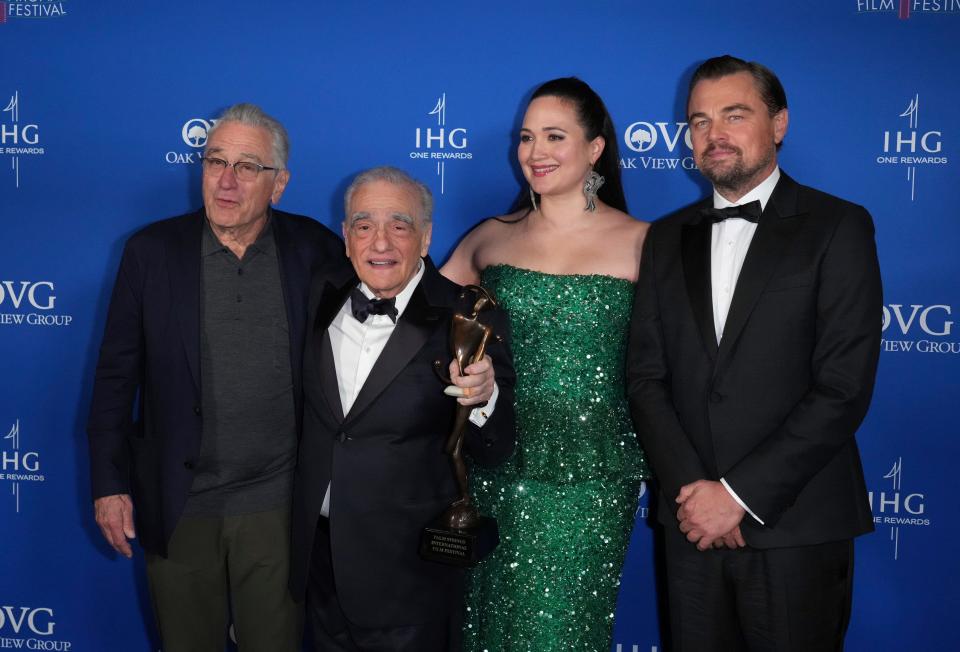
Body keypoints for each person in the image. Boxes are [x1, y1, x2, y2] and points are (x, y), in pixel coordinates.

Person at [627, 55, 882, 651]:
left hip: (796, 525)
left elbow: (842, 387)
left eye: (734, 115)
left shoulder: (838, 226)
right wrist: (695, 495)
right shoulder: (665, 238)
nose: (713, 134)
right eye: (698, 121)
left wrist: (738, 497)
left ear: (779, 123)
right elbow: (645, 377)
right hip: (691, 528)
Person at [87, 103, 346, 651]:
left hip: (278, 504)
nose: (226, 182)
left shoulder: (316, 250)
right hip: (181, 504)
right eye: (214, 162)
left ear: (279, 184)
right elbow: (114, 378)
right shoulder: (150, 253)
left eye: (247, 167)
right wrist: (110, 485)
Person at [442, 77, 650, 652]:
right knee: (488, 626)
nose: (535, 152)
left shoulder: (644, 243)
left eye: (554, 136)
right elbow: (422, 329)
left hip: (592, 476)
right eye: (527, 137)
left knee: (563, 631)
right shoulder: (489, 237)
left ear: (596, 148)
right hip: (495, 463)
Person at [288, 166, 516, 652]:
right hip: (318, 568)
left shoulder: (469, 317)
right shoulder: (316, 296)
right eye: (364, 225)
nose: (381, 242)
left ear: (426, 236)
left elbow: (496, 447)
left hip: (410, 578)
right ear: (346, 237)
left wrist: (483, 398)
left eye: (400, 224)